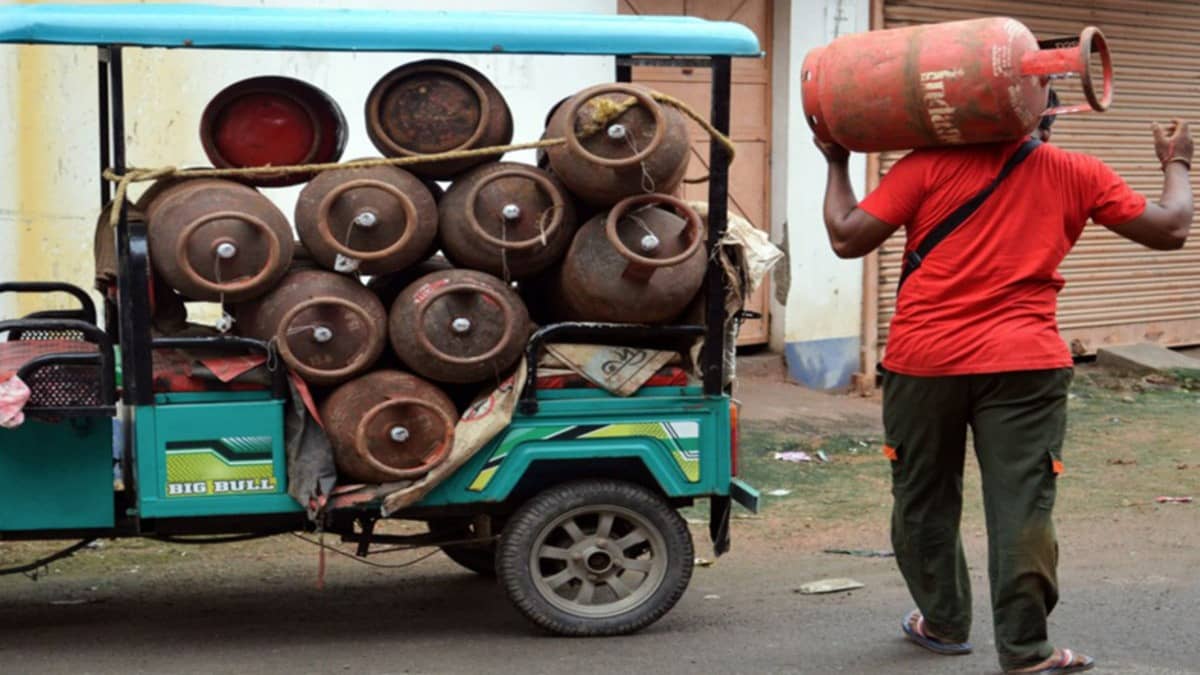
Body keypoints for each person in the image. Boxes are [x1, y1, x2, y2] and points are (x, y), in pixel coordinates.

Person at [814, 95, 1194, 674]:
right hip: (1025, 365)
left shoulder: (923, 166)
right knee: (1022, 506)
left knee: (922, 499)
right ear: (1046, 118)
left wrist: (836, 160)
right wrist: (1176, 162)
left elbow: (846, 237)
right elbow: (1170, 230)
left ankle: (942, 623)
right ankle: (1025, 650)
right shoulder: (1077, 172)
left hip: (924, 363)